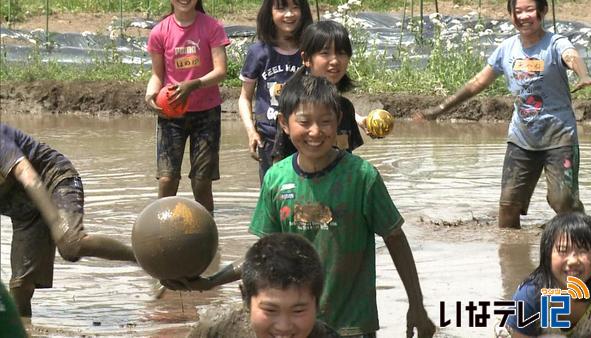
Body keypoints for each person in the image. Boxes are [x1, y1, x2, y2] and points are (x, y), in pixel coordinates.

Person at [162, 75, 435, 337]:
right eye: (304, 122)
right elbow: (264, 256)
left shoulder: (362, 177)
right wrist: (211, 281)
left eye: (325, 121)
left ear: (339, 121)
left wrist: (416, 303)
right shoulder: (276, 179)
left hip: (351, 326)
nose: (315, 132)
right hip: (293, 328)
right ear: (284, 123)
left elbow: (395, 238)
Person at [415, 0, 591, 229]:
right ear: (511, 15)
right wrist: (439, 109)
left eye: (530, 10)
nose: (523, 16)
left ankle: (586, 231)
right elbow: (476, 83)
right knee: (508, 206)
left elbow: (572, 56)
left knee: (562, 201)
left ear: (543, 11)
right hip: (522, 139)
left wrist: (583, 75)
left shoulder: (555, 43)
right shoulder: (506, 49)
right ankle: (512, 256)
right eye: (518, 11)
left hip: (559, 136)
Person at [0, 123, 137, 317]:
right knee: (20, 286)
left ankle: (140, 258)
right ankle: (25, 329)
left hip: (53, 180)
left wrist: (55, 222)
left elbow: (28, 175)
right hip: (25, 211)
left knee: (71, 244)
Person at [145, 0, 230, 213]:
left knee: (202, 182)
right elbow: (157, 75)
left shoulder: (212, 27)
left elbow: (221, 71)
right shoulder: (159, 31)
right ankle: (160, 229)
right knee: (167, 179)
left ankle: (207, 233)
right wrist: (150, 95)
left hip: (206, 112)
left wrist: (194, 85)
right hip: (171, 113)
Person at [186, 233, 339, 338]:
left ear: (317, 303)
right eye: (270, 310)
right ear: (246, 299)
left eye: (298, 311)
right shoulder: (215, 331)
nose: (283, 327)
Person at [238, 0, 312, 184]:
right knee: (273, 193)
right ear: (269, 12)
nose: (289, 14)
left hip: (305, 136)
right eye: (281, 8)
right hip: (268, 137)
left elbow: (326, 93)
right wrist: (251, 132)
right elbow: (244, 98)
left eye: (295, 7)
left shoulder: (311, 51)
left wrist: (358, 119)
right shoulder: (259, 52)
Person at [271, 20, 366, 162]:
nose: (335, 61)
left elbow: (348, 160)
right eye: (325, 53)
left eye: (341, 53)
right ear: (306, 58)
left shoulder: (345, 107)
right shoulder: (295, 105)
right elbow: (279, 162)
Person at [504, 212, 591, 337]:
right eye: (563, 250)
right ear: (547, 256)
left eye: (583, 251)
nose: (573, 261)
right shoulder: (530, 296)